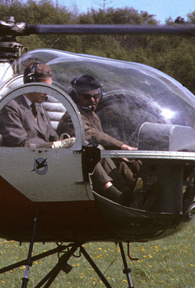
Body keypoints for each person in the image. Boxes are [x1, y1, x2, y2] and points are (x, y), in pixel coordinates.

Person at [57, 74, 141, 203]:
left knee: (123, 161)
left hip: (92, 161)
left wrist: (124, 154)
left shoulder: (92, 115)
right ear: (75, 97)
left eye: (96, 96)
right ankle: (122, 195)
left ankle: (139, 188)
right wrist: (122, 146)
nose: (93, 100)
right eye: (86, 97)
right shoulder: (71, 117)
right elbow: (92, 135)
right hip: (75, 165)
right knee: (97, 150)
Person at [0, 60, 73, 149]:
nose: (46, 93)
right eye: (43, 87)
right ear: (30, 85)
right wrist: (55, 145)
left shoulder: (40, 110)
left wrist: (67, 143)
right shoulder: (10, 108)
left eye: (48, 88)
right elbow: (20, 144)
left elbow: (53, 137)